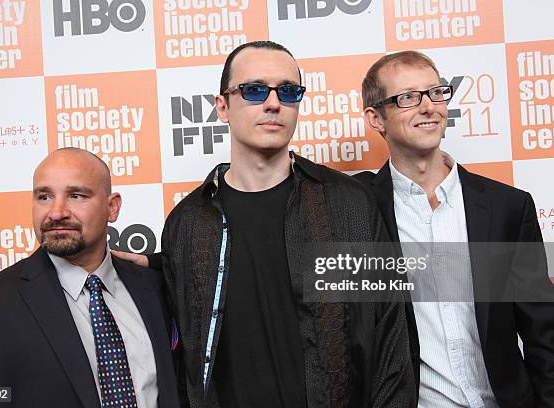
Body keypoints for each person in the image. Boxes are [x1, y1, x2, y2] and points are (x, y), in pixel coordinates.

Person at [118, 40, 416, 407]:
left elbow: (390, 342)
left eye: (288, 92)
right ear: (222, 107)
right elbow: (184, 362)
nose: (273, 103)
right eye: (254, 90)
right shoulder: (188, 223)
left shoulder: (348, 203)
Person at [357, 51, 554, 407]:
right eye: (407, 98)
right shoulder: (358, 208)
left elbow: (543, 331)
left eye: (435, 92)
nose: (428, 106)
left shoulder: (507, 206)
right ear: (376, 118)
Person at [0, 148, 180, 408]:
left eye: (76, 195)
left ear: (112, 207)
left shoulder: (155, 288)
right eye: (44, 197)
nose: (56, 212)